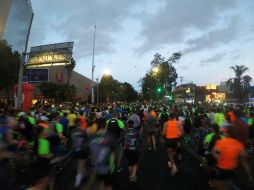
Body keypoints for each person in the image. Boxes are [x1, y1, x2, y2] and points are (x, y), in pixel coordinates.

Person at [210, 124, 253, 190]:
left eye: (224, 131)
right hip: (232, 170)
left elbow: (213, 154)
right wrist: (249, 176)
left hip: (221, 169)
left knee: (220, 186)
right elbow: (245, 163)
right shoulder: (239, 144)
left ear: (228, 133)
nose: (223, 133)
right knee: (227, 184)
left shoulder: (220, 142)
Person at [89, 118, 116, 190]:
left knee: (101, 183)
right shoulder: (111, 136)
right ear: (105, 125)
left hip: (96, 165)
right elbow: (113, 152)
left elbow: (90, 152)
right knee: (108, 185)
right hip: (108, 166)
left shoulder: (92, 137)